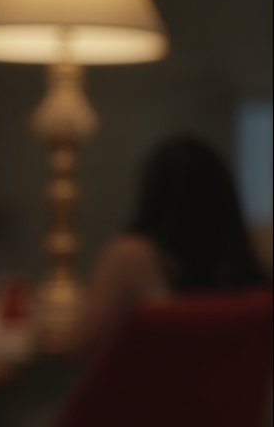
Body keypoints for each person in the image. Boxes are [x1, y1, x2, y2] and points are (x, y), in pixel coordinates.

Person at [68, 135, 268, 356]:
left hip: (146, 390)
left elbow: (78, 346)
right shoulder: (245, 274)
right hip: (229, 392)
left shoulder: (131, 254)